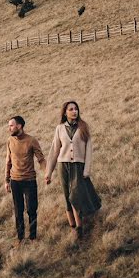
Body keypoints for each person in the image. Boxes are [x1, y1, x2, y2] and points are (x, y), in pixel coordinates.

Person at [45, 101, 101, 239]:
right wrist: (48, 173)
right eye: (71, 109)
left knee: (75, 195)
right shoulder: (59, 128)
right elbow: (54, 151)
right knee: (67, 196)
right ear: (65, 112)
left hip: (78, 165)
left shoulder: (83, 127)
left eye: (76, 109)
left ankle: (80, 226)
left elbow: (89, 150)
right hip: (63, 166)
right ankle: (73, 227)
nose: (74, 111)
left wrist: (86, 170)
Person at [4, 115, 46, 246]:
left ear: (19, 126)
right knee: (18, 210)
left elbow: (41, 159)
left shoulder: (31, 140)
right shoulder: (10, 141)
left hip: (29, 181)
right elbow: (8, 161)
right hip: (15, 181)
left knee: (32, 210)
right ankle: (20, 238)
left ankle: (33, 237)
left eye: (11, 125)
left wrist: (46, 173)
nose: (9, 128)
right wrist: (6, 180)